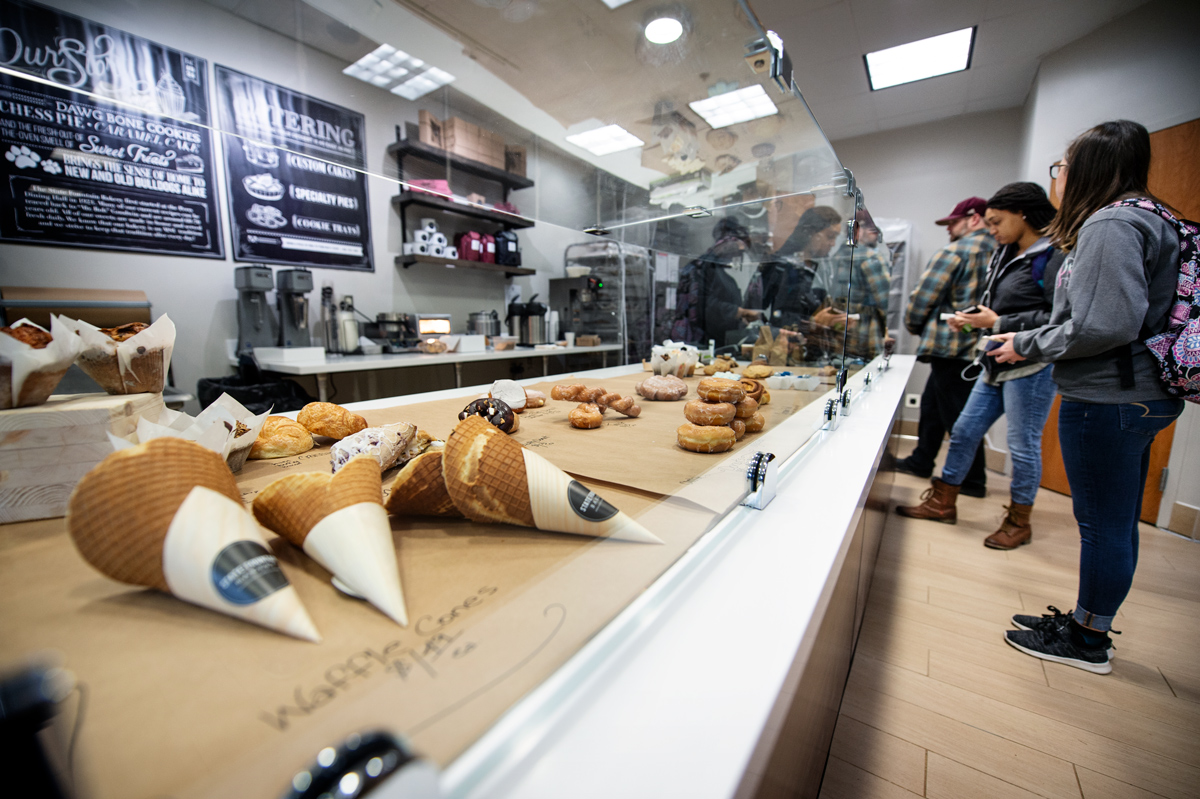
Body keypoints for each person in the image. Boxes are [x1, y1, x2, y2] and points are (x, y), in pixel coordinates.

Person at [990, 120, 1185, 674]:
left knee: (1102, 522)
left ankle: (1087, 640)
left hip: (1109, 397)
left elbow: (1103, 324)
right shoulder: (1151, 216)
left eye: (1063, 167)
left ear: (1087, 171)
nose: (1059, 178)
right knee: (1115, 519)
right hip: (1134, 394)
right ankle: (1086, 621)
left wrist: (1024, 342)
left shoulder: (1112, 223)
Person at [897, 183, 1063, 550]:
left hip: (1030, 364)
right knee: (964, 430)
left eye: (997, 221)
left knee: (1023, 445)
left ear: (1022, 213)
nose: (992, 230)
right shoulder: (1004, 253)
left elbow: (1058, 317)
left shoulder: (1054, 255)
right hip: (993, 361)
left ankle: (1019, 521)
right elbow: (1000, 309)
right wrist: (972, 321)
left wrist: (997, 324)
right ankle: (943, 501)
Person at [894, 197, 996, 496]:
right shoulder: (1000, 252)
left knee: (959, 415)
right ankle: (922, 459)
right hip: (979, 345)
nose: (949, 229)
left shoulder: (957, 251)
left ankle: (972, 480)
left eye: (954, 222)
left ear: (974, 218)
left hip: (950, 345)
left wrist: (914, 326)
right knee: (934, 405)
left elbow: (923, 297)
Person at [744, 206, 843, 359]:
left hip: (811, 356)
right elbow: (752, 316)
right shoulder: (778, 266)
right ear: (810, 233)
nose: (833, 243)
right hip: (779, 356)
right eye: (830, 236)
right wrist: (812, 323)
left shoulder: (824, 267)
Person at [670, 217, 757, 345]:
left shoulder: (720, 274)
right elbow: (705, 307)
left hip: (717, 341)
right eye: (738, 248)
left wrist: (739, 319)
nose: (738, 255)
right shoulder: (705, 267)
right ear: (727, 243)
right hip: (702, 343)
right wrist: (738, 312)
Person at [819, 207, 892, 360]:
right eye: (872, 230)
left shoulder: (836, 256)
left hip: (837, 336)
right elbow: (886, 303)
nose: (876, 234)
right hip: (865, 338)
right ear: (858, 230)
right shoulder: (871, 257)